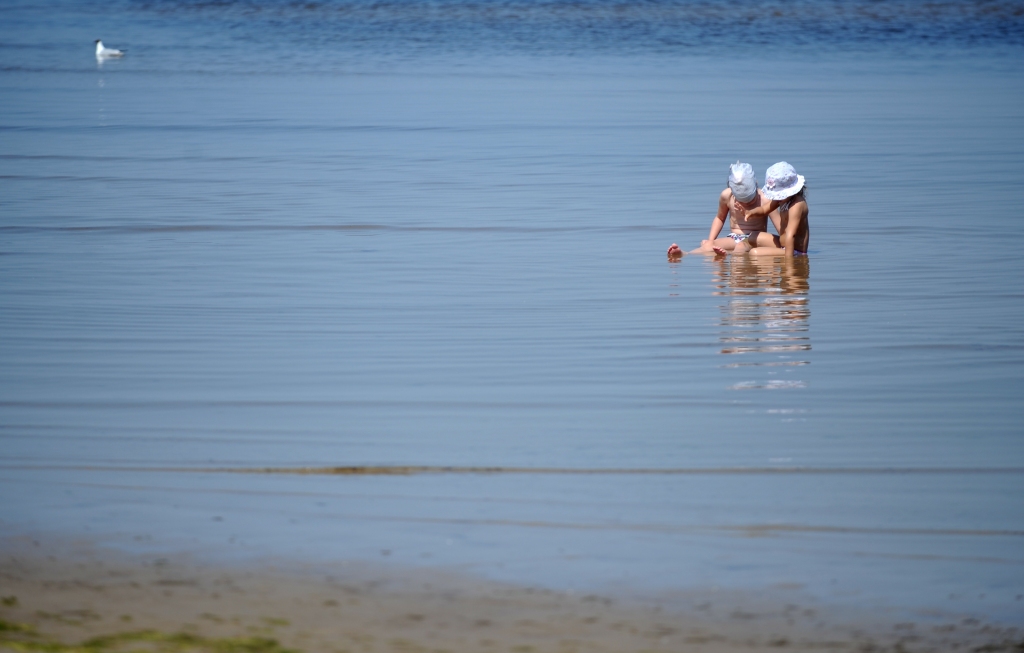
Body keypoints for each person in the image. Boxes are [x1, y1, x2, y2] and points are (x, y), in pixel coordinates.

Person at [667, 162, 779, 258]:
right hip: (735, 237)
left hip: (756, 238)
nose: (746, 204)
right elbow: (720, 218)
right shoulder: (727, 196)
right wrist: (711, 240)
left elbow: (780, 226)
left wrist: (783, 242)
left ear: (756, 184)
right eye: (741, 200)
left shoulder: (765, 200)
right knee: (708, 246)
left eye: (750, 199)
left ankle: (728, 255)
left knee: (740, 247)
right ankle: (685, 254)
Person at [739, 161, 810, 257]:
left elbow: (790, 235)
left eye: (779, 195)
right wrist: (750, 212)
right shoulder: (783, 200)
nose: (777, 198)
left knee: (754, 253)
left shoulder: (797, 205)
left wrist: (789, 263)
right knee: (753, 237)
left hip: (794, 251)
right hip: (783, 245)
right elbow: (764, 210)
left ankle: (774, 261)